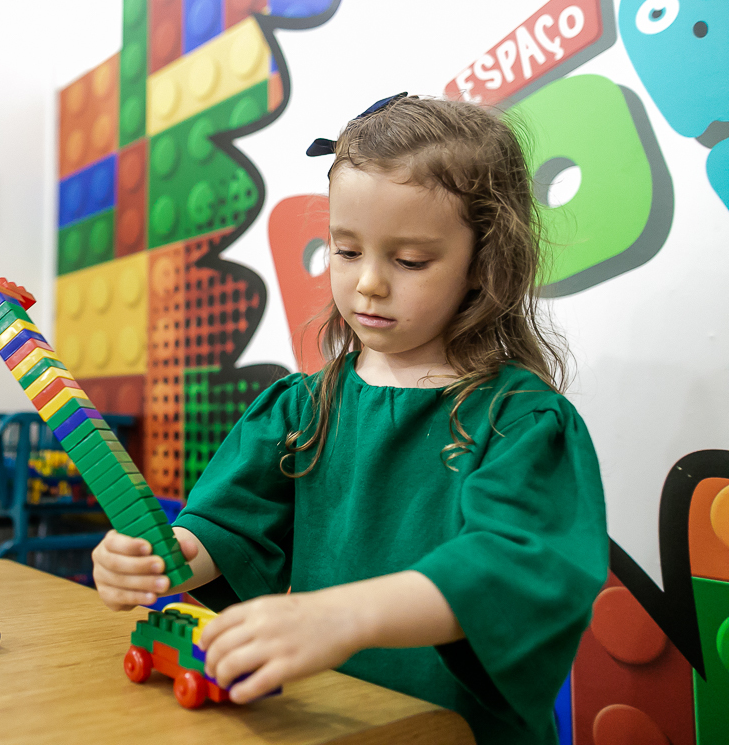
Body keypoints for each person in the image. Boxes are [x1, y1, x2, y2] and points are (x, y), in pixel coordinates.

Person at [92, 95, 607, 744]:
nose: (368, 283)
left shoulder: (523, 424)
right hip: (332, 726)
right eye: (344, 250)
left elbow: (512, 568)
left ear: (483, 264)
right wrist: (164, 561)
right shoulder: (301, 407)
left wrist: (345, 616)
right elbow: (229, 529)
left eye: (410, 260)